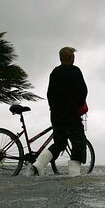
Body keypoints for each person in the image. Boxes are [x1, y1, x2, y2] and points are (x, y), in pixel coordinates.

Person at [31, 47, 88, 176]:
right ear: (71, 58)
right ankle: (74, 175)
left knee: (59, 143)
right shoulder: (75, 71)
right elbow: (83, 91)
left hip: (56, 115)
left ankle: (38, 165)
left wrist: (54, 108)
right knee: (78, 143)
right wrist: (77, 106)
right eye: (73, 56)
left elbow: (49, 93)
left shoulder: (55, 72)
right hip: (72, 114)